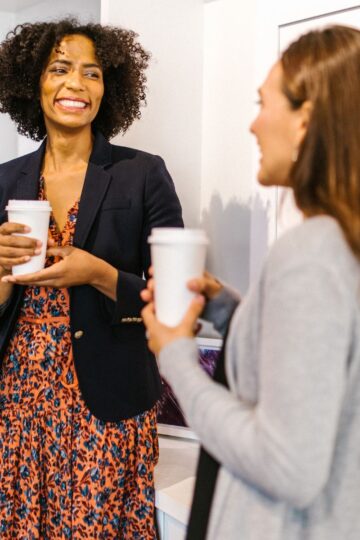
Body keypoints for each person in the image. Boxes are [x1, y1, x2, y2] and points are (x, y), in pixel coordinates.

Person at [141, 24, 360, 540]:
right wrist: (230, 310)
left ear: (304, 121)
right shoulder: (342, 246)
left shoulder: (310, 253)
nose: (253, 126)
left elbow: (288, 465)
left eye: (264, 104)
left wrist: (176, 357)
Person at [0, 18, 183, 538]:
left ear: (110, 87)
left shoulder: (143, 173)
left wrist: (99, 274)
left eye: (93, 73)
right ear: (33, 82)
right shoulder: (4, 179)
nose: (76, 85)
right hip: (18, 397)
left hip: (107, 394)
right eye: (60, 69)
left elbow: (173, 298)